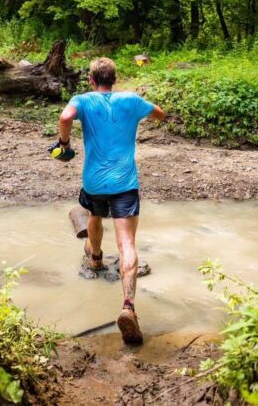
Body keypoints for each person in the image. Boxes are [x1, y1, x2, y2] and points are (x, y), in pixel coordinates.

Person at [55, 57, 165, 345]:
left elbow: (65, 118)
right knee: (127, 243)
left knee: (94, 216)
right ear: (115, 79)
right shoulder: (131, 99)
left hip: (94, 182)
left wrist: (64, 145)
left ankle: (95, 259)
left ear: (91, 80)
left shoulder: (83, 99)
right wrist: (137, 114)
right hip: (124, 183)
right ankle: (128, 306)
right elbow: (160, 114)